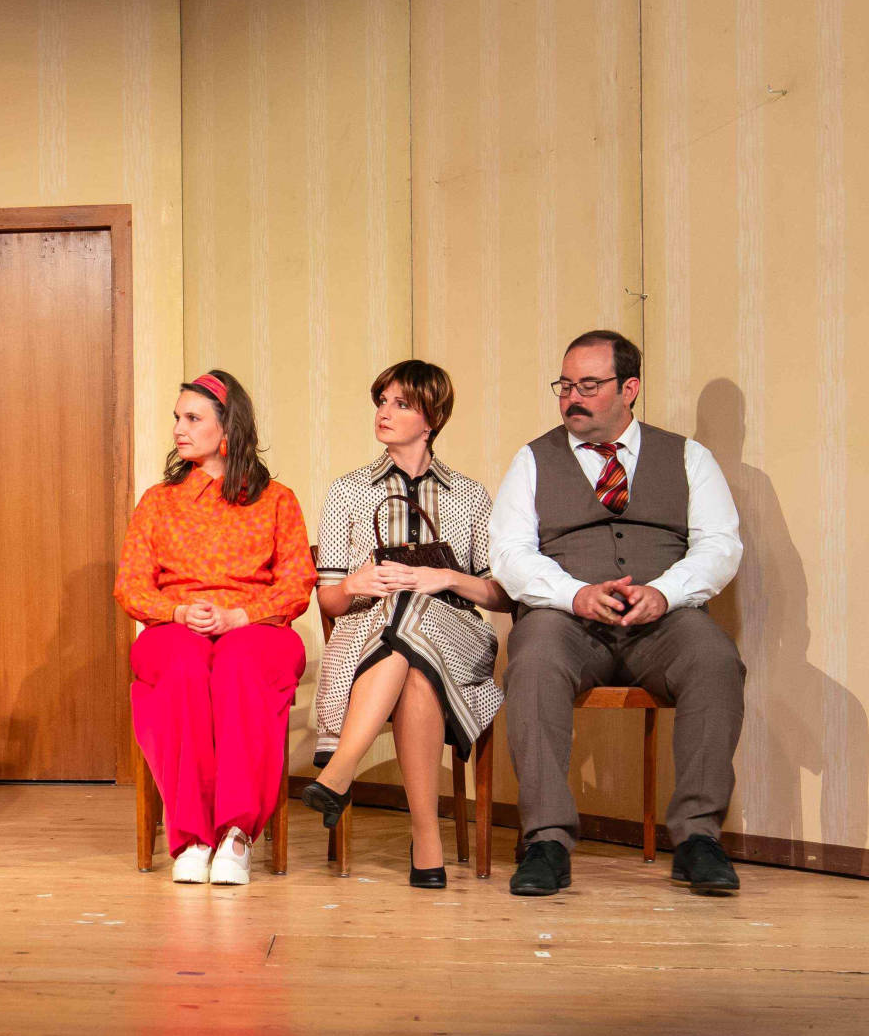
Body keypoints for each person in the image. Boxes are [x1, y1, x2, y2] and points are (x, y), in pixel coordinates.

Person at [495, 330, 745, 897]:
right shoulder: (533, 459)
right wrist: (574, 594)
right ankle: (546, 841)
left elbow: (720, 545)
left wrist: (666, 591)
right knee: (532, 663)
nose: (572, 398)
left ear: (629, 388)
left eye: (589, 386)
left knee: (715, 659)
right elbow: (509, 553)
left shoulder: (688, 457)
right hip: (567, 621)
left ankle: (698, 838)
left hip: (662, 621)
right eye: (565, 386)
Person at [299, 361, 514, 887]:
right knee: (413, 657)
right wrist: (355, 583)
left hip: (456, 636)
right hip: (366, 635)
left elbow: (500, 594)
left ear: (431, 419)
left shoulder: (470, 495)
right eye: (382, 401)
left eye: (401, 404)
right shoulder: (348, 491)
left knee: (415, 610)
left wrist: (443, 578)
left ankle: (340, 768)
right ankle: (427, 839)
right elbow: (329, 601)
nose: (384, 412)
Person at [116, 370, 314, 886]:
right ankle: (192, 836)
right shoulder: (158, 501)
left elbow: (297, 583)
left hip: (256, 625)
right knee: (183, 665)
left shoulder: (276, 500)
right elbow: (130, 586)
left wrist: (239, 617)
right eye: (177, 418)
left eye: (192, 418)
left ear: (228, 428)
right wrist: (178, 613)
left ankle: (236, 833)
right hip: (175, 625)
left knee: (238, 664)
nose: (178, 429)